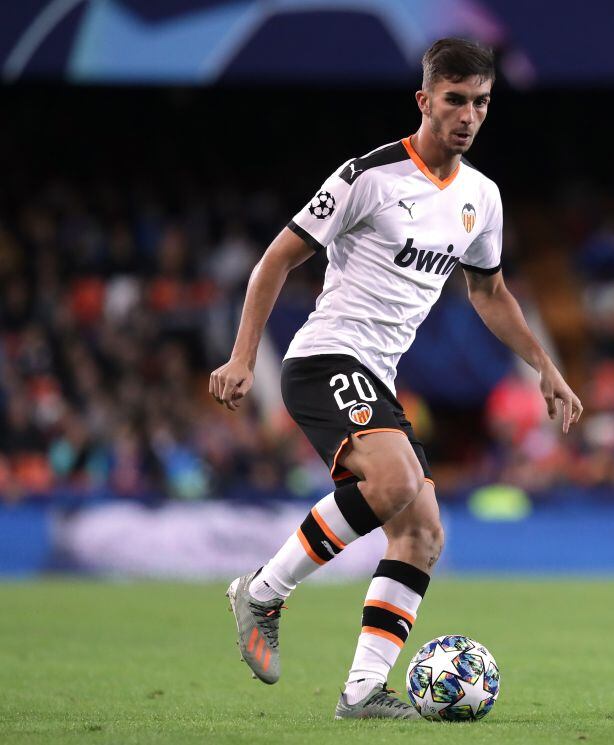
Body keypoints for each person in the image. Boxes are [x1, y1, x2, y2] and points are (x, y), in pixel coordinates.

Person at [208, 38, 581, 719]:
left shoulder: (482, 198)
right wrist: (241, 355)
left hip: (377, 377)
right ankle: (262, 590)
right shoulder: (367, 177)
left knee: (424, 533)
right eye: (455, 101)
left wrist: (546, 368)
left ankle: (362, 691)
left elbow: (490, 292)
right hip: (324, 359)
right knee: (395, 482)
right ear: (424, 101)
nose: (468, 115)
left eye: (481, 102)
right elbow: (274, 261)